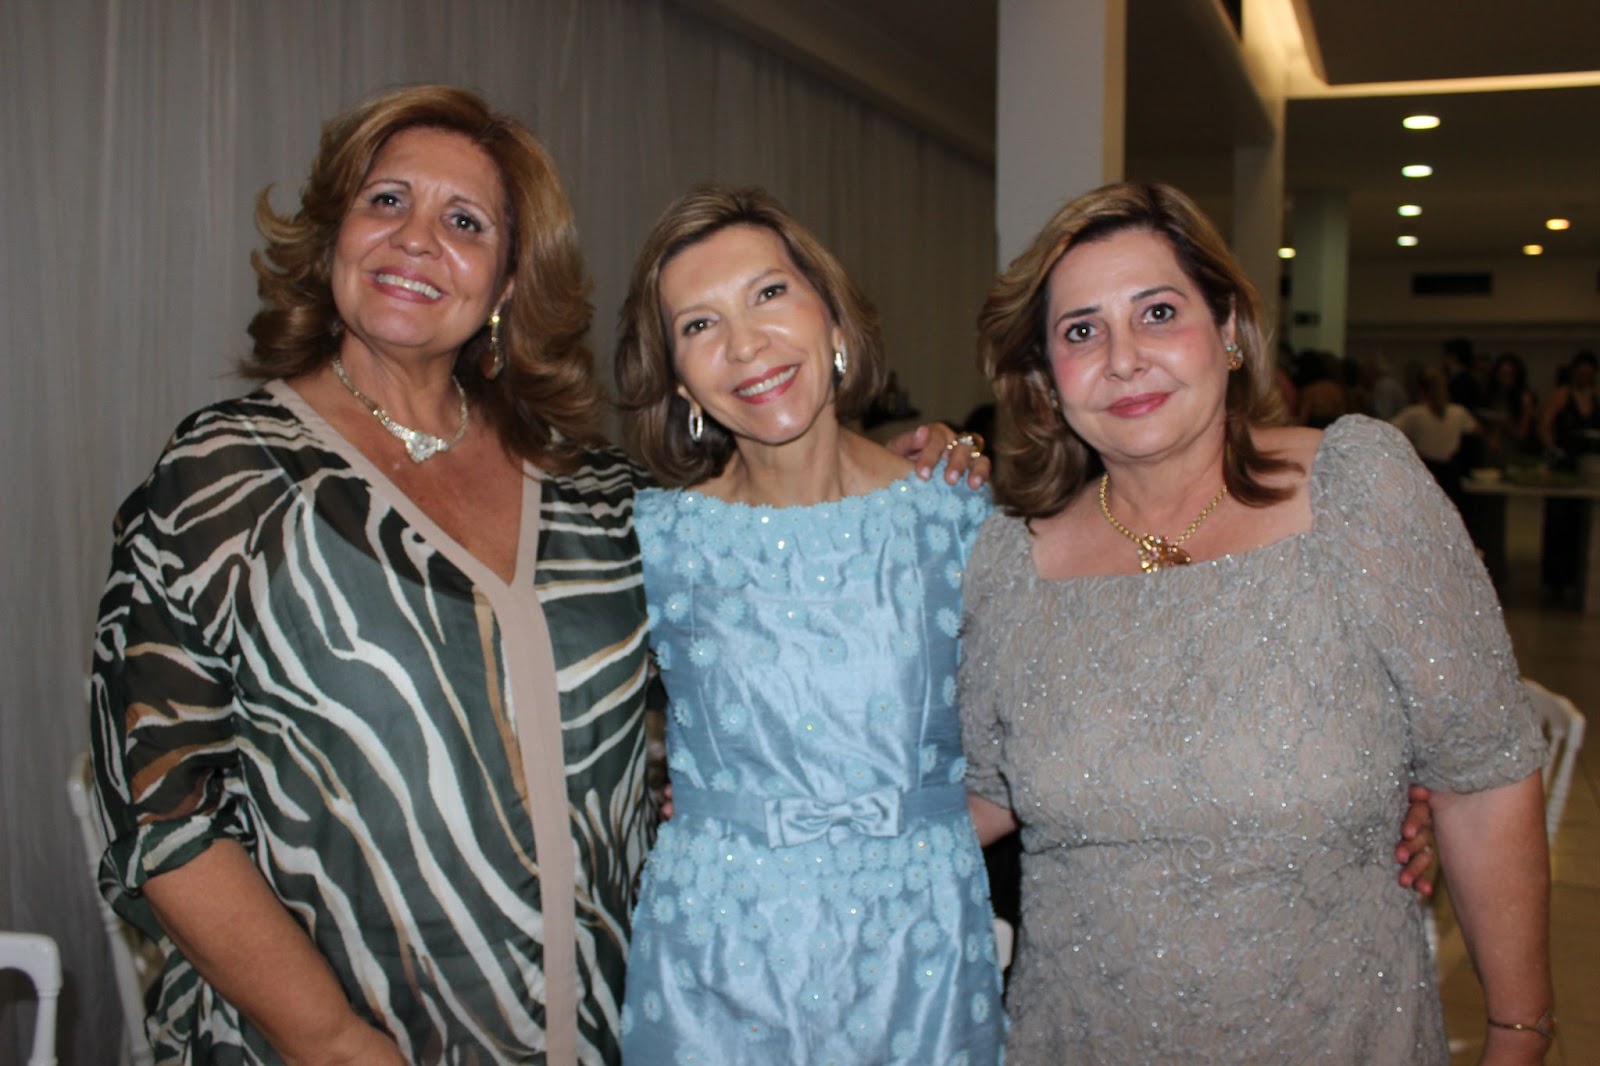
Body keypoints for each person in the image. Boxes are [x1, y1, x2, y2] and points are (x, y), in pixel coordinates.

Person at [87, 87, 977, 1066]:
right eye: (387, 201)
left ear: (507, 282)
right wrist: (330, 1039)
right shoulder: (223, 479)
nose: (418, 238)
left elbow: (759, 635)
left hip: (614, 1020)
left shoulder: (591, 492)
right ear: (333, 232)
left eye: (465, 222)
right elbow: (160, 809)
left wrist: (914, 471)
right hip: (334, 1041)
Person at [961, 182, 1551, 1064]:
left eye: (1158, 313)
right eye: (1081, 331)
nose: (1123, 358)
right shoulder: (1013, 561)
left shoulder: (1355, 491)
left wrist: (1519, 1032)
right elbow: (978, 794)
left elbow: (1484, 773)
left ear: (1230, 329)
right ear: (1046, 376)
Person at [612, 186, 1004, 1064]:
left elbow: (1041, 739)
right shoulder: (654, 541)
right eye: (700, 325)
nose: (746, 343)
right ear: (679, 379)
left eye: (768, 294)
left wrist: (929, 830)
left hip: (922, 953)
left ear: (833, 316)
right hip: (715, 959)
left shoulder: (958, 518)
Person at [1539, 349, 1600, 596]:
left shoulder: (1596, 396)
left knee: (1582, 522)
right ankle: (1556, 581)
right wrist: (1554, 450)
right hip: (1565, 464)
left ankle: (1578, 577)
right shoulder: (1562, 396)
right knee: (1559, 521)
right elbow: (1545, 425)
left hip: (1590, 464)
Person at [1390, 366, 1482, 513]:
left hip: (1426, 473)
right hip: (1451, 475)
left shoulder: (1414, 414)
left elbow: (1388, 430)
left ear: (1421, 390)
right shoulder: (1458, 412)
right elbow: (1477, 430)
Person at [1483, 352, 1540, 465]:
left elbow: (1522, 434)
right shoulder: (1492, 395)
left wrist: (1507, 423)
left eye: (1509, 374)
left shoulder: (1524, 398)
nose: (1504, 379)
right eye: (1501, 374)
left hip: (1513, 453)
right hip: (1489, 451)